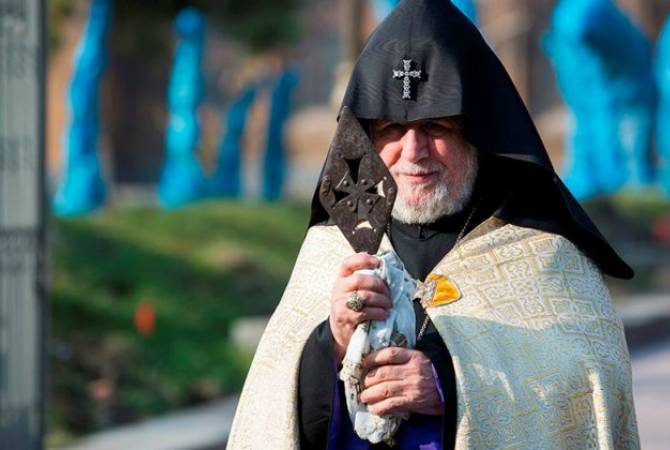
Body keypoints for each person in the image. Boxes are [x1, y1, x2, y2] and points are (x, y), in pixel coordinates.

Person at [227, 1, 639, 449]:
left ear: (478, 134)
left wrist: (451, 384)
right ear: (364, 140)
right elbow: (271, 413)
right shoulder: (333, 248)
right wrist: (334, 343)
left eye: (437, 126)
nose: (413, 152)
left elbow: (588, 387)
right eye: (391, 129)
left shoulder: (544, 254)